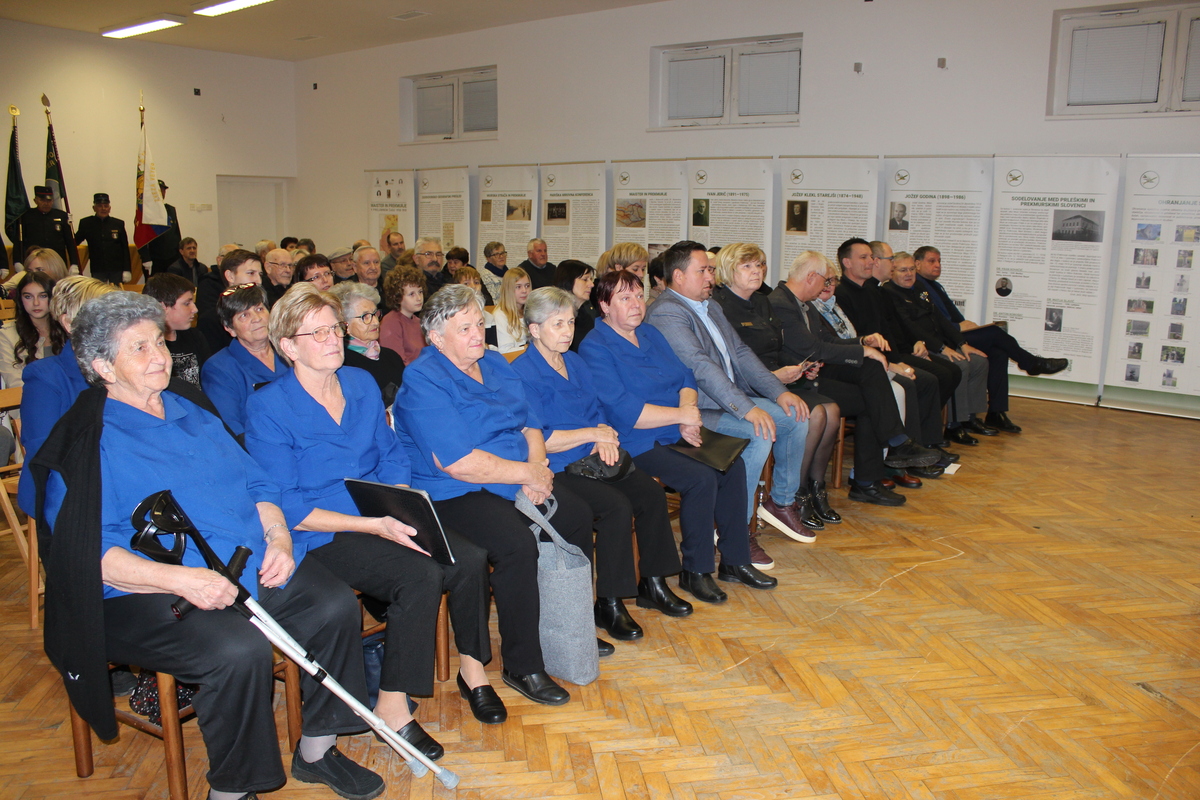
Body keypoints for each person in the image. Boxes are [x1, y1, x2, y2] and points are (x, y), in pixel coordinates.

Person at [32, 290, 388, 800]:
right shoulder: (86, 442)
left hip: (240, 564)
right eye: (139, 348)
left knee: (331, 605)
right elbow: (87, 554)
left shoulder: (188, 409)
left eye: (159, 343)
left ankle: (317, 749)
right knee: (237, 649)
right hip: (144, 591)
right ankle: (231, 791)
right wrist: (183, 580)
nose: (159, 357)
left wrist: (279, 537)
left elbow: (259, 483)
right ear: (102, 367)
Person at [244, 284, 502, 754]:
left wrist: (397, 501)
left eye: (334, 329)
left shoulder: (359, 382)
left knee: (467, 557)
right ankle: (392, 705)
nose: (332, 339)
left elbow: (392, 453)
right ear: (288, 347)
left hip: (378, 509)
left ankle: (472, 669)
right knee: (419, 576)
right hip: (322, 531)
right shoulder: (268, 405)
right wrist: (376, 525)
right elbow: (287, 505)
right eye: (317, 333)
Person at [393, 284, 598, 705]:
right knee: (515, 544)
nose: (477, 335)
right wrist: (527, 473)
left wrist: (537, 470)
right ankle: (523, 664)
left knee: (575, 515)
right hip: (453, 492)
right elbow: (458, 462)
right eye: (464, 328)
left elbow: (530, 424)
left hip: (515, 475)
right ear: (436, 338)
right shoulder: (422, 380)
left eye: (478, 325)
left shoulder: (494, 362)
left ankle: (567, 628)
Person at [579, 270, 771, 604]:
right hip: (635, 441)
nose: (636, 304)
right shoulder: (595, 346)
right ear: (604, 306)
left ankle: (735, 560)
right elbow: (626, 412)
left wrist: (687, 413)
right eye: (624, 298)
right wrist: (681, 417)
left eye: (638, 296)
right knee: (700, 478)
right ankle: (695, 570)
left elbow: (686, 376)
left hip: (677, 427)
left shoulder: (649, 332)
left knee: (732, 465)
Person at [513, 288, 691, 639]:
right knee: (615, 507)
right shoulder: (521, 372)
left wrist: (603, 436)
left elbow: (597, 410)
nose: (567, 331)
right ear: (534, 329)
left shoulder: (574, 361)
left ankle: (653, 583)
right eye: (557, 324)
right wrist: (592, 434)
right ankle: (609, 602)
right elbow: (539, 438)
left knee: (650, 494)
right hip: (557, 466)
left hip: (593, 456)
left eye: (570, 322)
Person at [647, 240, 813, 555]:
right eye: (703, 271)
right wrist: (747, 409)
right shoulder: (667, 312)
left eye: (711, 270)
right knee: (757, 433)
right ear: (679, 276)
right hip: (697, 410)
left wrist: (779, 392)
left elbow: (741, 352)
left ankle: (781, 503)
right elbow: (700, 366)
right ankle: (735, 527)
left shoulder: (710, 305)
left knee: (795, 417)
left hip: (725, 400)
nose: (711, 276)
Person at [770, 253, 943, 507]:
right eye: (825, 280)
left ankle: (876, 470)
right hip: (796, 382)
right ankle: (883, 459)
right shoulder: (780, 303)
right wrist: (862, 350)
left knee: (872, 382)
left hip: (813, 373)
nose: (827, 286)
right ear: (811, 277)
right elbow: (813, 348)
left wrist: (862, 343)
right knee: (871, 390)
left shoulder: (803, 303)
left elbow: (827, 341)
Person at [713, 243, 841, 533]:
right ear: (728, 270)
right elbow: (727, 365)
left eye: (760, 265)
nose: (756, 271)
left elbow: (774, 346)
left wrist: (798, 368)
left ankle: (783, 501)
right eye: (747, 266)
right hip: (738, 390)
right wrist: (774, 377)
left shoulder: (761, 301)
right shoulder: (718, 306)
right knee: (794, 418)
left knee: (802, 414)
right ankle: (741, 523)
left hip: (771, 382)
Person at [913, 245, 1068, 432]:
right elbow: (931, 321)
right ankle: (1031, 363)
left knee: (998, 353)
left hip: (954, 333)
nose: (937, 265)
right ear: (917, 264)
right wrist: (958, 328)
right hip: (941, 339)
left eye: (939, 261)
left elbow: (955, 317)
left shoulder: (936, 286)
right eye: (931, 261)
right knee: (995, 333)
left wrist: (966, 326)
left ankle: (996, 412)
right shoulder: (917, 286)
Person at [836, 238, 969, 443]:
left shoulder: (873, 291)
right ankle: (914, 442)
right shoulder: (841, 294)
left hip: (889, 355)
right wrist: (894, 362)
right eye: (864, 257)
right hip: (866, 361)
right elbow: (855, 339)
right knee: (923, 380)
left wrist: (904, 352)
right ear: (847, 262)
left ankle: (926, 441)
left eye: (871, 257)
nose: (871, 261)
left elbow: (889, 329)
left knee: (942, 374)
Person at [17, 276, 119, 515]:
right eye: (102, 316)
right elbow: (46, 456)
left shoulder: (120, 367)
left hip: (114, 480)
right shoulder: (45, 377)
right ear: (69, 323)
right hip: (64, 492)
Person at [882, 252, 993, 441]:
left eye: (912, 269)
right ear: (892, 272)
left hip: (938, 342)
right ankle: (953, 424)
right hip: (922, 346)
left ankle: (970, 418)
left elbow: (940, 319)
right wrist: (942, 348)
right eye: (903, 270)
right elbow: (911, 328)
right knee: (960, 366)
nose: (909, 274)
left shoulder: (919, 287)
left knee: (979, 362)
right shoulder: (889, 293)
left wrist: (961, 343)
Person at [200, 284, 288, 437]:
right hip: (257, 445)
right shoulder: (219, 368)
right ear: (230, 328)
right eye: (244, 315)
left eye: (259, 309)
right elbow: (230, 428)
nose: (257, 318)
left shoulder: (289, 352)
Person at [329, 282, 405, 407]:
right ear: (345, 323)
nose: (375, 322)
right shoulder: (343, 363)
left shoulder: (392, 357)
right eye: (366, 317)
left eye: (375, 314)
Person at [144, 272, 211, 388]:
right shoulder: (147, 347)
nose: (195, 309)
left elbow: (210, 377)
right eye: (187, 303)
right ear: (162, 307)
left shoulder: (195, 336)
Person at [0, 271, 62, 393]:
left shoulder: (66, 329)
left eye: (43, 296)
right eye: (28, 297)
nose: (36, 303)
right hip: (30, 398)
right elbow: (14, 382)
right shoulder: (7, 335)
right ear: (20, 300)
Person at [197, 248, 264, 354]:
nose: (258, 281)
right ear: (230, 276)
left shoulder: (266, 311)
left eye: (260, 274)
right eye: (251, 273)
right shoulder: (211, 320)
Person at [11, 186, 79, 270]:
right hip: (34, 260)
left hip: (57, 260)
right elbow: (18, 241)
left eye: (49, 200)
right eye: (42, 200)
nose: (46, 203)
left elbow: (70, 242)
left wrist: (74, 263)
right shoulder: (26, 216)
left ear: (53, 201)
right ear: (35, 200)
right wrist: (17, 261)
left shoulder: (62, 216)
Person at [74, 193, 130, 285]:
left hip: (116, 268)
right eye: (100, 206)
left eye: (106, 206)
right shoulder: (86, 223)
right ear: (94, 208)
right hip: (98, 268)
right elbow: (75, 242)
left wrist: (127, 269)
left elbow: (125, 248)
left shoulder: (118, 224)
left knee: (117, 292)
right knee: (98, 292)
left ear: (110, 208)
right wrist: (68, 226)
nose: (103, 209)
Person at [379, 266, 427, 365]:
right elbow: (396, 362)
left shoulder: (418, 321)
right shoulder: (391, 323)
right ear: (397, 297)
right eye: (411, 294)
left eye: (420, 292)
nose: (419, 298)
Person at [138, 180, 181, 276]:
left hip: (172, 258)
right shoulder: (145, 211)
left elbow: (176, 233)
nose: (161, 193)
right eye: (158, 190)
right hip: (154, 259)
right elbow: (140, 237)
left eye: (163, 190)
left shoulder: (170, 209)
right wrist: (146, 258)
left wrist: (180, 255)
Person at [553, 260, 597, 350]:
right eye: (585, 279)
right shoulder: (554, 316)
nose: (591, 284)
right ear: (568, 281)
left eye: (591, 279)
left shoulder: (586, 315)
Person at [494, 267, 531, 354]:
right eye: (518, 287)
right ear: (508, 289)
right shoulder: (500, 315)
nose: (524, 291)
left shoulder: (530, 310)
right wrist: (528, 348)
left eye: (527, 286)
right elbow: (505, 351)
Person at [3, 246, 70, 292]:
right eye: (29, 271)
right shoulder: (22, 293)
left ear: (55, 270)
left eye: (39, 270)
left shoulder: (69, 294)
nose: (33, 274)